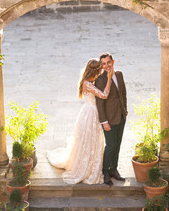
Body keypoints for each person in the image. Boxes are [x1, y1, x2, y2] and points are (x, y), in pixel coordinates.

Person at [46, 58, 114, 184]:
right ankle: (85, 168)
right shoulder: (87, 84)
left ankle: (92, 164)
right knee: (89, 140)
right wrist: (109, 78)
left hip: (89, 112)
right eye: (99, 69)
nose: (100, 71)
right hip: (90, 114)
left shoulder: (88, 81)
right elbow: (104, 95)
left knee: (92, 141)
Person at [95, 53, 127, 186]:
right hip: (108, 119)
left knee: (118, 144)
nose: (107, 66)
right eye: (103, 64)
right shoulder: (100, 80)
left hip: (121, 115)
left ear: (113, 62)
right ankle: (105, 172)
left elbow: (123, 93)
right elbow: (99, 103)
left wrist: (125, 110)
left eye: (108, 62)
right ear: (101, 65)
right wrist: (104, 121)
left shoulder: (119, 74)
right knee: (110, 145)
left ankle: (114, 169)